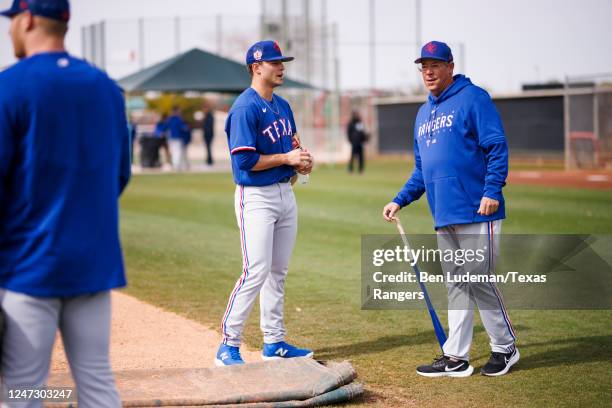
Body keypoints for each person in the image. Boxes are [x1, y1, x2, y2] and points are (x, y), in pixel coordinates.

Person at [0, 1, 130, 406]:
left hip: (28, 266)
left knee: (22, 388)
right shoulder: (106, 87)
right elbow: (119, 176)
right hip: (93, 264)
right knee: (96, 383)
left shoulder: (9, 86)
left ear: (28, 20)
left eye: (11, 23)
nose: (9, 32)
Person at [382, 41, 518, 378]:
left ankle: (506, 348)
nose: (428, 72)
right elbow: (421, 169)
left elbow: (496, 146)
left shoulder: (474, 99)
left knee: (478, 279)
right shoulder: (423, 112)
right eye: (423, 66)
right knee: (457, 283)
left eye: (435, 65)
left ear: (450, 66)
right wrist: (400, 198)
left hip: (477, 208)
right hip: (444, 214)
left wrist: (492, 191)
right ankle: (456, 356)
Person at [216, 40, 314, 366]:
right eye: (275, 62)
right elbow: (245, 161)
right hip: (256, 197)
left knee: (277, 272)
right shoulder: (245, 107)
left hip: (286, 193)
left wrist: (300, 162)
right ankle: (228, 344)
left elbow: (292, 147)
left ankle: (274, 342)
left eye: (282, 61)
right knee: (255, 271)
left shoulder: (283, 105)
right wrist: (286, 156)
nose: (281, 66)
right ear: (257, 67)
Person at [167, 106, 190, 171]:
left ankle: (177, 165)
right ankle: (176, 166)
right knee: (177, 152)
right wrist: (186, 127)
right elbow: (184, 128)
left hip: (171, 138)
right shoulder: (178, 119)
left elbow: (165, 127)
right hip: (177, 138)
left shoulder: (170, 119)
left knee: (174, 152)